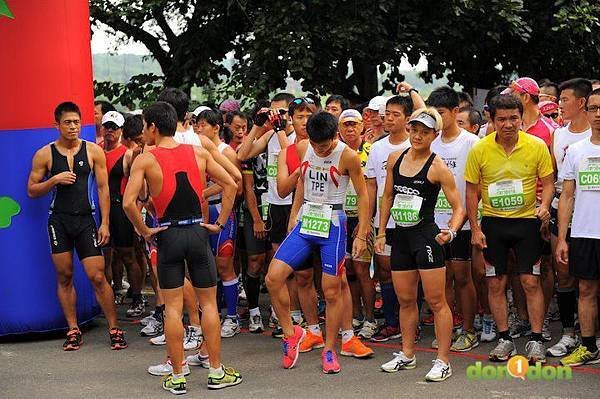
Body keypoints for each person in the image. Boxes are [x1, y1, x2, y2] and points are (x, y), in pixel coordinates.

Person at [123, 101, 242, 394]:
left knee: (173, 309)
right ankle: (216, 371)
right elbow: (231, 184)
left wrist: (146, 230)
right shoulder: (199, 152)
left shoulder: (145, 159)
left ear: (152, 127)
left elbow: (128, 202)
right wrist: (220, 222)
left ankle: (177, 376)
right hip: (198, 232)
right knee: (209, 304)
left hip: (168, 234)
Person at [265, 111, 370, 374]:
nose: (318, 150)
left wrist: (362, 233)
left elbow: (364, 194)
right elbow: (303, 179)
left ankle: (330, 350)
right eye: (314, 145)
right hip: (307, 220)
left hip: (333, 223)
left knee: (332, 290)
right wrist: (293, 215)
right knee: (273, 277)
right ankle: (292, 334)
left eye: (323, 146)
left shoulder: (347, 155)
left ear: (335, 137)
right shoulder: (306, 147)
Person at [27, 101, 126, 351]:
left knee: (98, 276)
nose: (73, 127)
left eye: (77, 122)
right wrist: (54, 180)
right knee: (65, 275)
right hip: (58, 221)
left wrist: (104, 223)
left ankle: (114, 328)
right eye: (68, 122)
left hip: (85, 220)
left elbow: (103, 188)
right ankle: (73, 329)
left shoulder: (93, 151)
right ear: (57, 125)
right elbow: (31, 190)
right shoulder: (45, 154)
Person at [465, 94, 554, 364]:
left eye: (514, 118)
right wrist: (475, 228)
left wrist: (546, 205)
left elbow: (549, 182)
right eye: (501, 119)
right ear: (491, 119)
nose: (508, 124)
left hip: (527, 222)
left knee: (530, 281)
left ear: (521, 118)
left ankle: (536, 340)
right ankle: (505, 339)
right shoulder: (479, 149)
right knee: (495, 282)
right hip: (493, 222)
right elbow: (471, 191)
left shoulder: (537, 145)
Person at [378, 107, 465, 381]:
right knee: (405, 300)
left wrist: (450, 232)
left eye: (424, 132)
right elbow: (387, 196)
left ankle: (443, 360)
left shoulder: (438, 166)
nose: (417, 135)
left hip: (426, 237)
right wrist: (381, 231)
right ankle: (407, 354)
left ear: (434, 135)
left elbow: (459, 207)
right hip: (400, 236)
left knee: (437, 301)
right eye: (414, 130)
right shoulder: (395, 158)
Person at [366, 92, 424, 342]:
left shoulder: (417, 146)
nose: (388, 119)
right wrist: (370, 221)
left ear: (408, 119)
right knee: (386, 271)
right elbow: (371, 188)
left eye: (395, 114)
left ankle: (413, 323)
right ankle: (391, 322)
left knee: (415, 272)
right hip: (385, 222)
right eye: (386, 114)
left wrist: (412, 92)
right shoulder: (377, 148)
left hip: (414, 221)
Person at [428, 87, 480, 352]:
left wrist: (471, 220)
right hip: (433, 221)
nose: (437, 119)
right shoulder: (429, 143)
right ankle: (447, 328)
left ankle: (469, 329)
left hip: (462, 222)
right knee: (442, 278)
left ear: (455, 111)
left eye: (441, 113)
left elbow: (478, 185)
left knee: (462, 276)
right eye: (433, 113)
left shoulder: (472, 143)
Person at [547, 78, 593, 357]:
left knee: (590, 282)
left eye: (564, 100)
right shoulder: (558, 135)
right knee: (563, 274)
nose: (559, 105)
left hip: (590, 215)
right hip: (561, 212)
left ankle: (590, 334)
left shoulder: (593, 137)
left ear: (582, 103)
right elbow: (554, 178)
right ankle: (567, 333)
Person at [556, 88, 600, 366]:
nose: (599, 114)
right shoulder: (575, 151)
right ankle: (588, 346)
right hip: (584, 232)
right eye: (594, 108)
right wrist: (562, 237)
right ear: (586, 111)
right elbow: (567, 196)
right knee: (585, 290)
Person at [196, 108, 243, 337]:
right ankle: (209, 313)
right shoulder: (195, 148)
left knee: (225, 265)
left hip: (220, 209)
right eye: (197, 124)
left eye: (204, 124)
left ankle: (232, 317)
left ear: (216, 128)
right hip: (202, 210)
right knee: (204, 266)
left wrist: (206, 192)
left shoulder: (226, 151)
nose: (198, 128)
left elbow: (237, 183)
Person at [338, 109, 377, 339]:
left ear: (362, 127)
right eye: (346, 125)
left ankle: (371, 318)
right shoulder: (337, 151)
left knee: (363, 269)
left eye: (354, 124)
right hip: (342, 217)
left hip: (363, 218)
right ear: (339, 129)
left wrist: (366, 221)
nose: (350, 129)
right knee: (348, 269)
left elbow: (374, 187)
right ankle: (356, 314)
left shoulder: (371, 150)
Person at [101, 110, 145, 317]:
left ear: (120, 131)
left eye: (114, 128)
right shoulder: (96, 150)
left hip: (120, 208)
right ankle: (113, 291)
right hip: (102, 207)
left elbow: (138, 186)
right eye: (106, 127)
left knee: (127, 254)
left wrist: (136, 210)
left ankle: (137, 297)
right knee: (106, 255)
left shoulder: (127, 154)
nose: (110, 131)